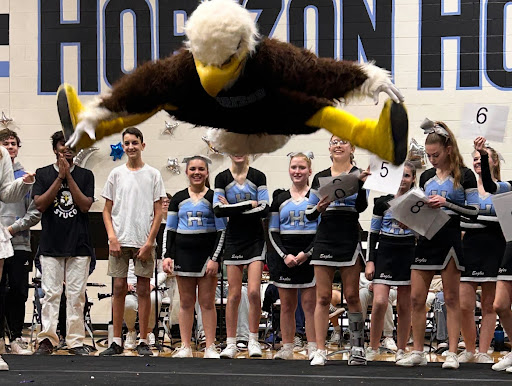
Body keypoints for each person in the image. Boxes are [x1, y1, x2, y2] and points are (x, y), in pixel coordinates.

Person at [396, 120, 479, 369]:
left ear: (449, 149)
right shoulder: (428, 177)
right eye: (429, 155)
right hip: (426, 239)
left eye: (436, 154)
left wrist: (447, 204)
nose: (432, 160)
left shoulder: (464, 175)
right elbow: (421, 208)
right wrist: (409, 223)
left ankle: (452, 352)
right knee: (417, 298)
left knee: (451, 298)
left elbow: (473, 211)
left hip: (450, 239)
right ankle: (418, 350)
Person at [100, 127, 166, 357]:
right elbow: (106, 211)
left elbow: (158, 213)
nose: (130, 147)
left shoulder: (153, 174)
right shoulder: (115, 174)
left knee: (144, 290)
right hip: (120, 239)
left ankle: (144, 339)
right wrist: (112, 237)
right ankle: (116, 340)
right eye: (126, 143)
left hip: (143, 240)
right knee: (118, 288)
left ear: (142, 145)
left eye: (134, 143)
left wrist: (149, 242)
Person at [307, 136, 370, 366]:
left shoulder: (361, 172)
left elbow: (361, 206)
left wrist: (360, 183)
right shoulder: (320, 177)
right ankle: (320, 349)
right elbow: (309, 213)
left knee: (352, 295)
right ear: (329, 148)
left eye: (344, 142)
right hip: (325, 236)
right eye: (334, 141)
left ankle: (357, 348)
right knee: (323, 297)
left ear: (352, 148)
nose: (338, 145)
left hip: (349, 234)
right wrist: (318, 207)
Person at [31, 131, 93, 357]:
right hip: (51, 243)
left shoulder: (86, 175)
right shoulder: (43, 174)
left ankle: (75, 341)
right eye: (62, 145)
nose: (67, 149)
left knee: (77, 295)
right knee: (51, 294)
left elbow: (85, 205)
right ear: (55, 148)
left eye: (71, 145)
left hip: (79, 244)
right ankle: (47, 339)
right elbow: (40, 205)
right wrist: (60, 177)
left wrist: (69, 176)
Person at [162, 155, 226, 359]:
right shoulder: (179, 199)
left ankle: (210, 346)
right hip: (183, 255)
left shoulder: (215, 198)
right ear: (187, 172)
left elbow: (222, 231)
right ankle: (186, 346)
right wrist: (167, 255)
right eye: (192, 169)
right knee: (186, 302)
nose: (197, 173)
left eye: (201, 169)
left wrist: (215, 258)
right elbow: (170, 230)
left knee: (207, 303)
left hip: (206, 257)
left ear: (207, 172)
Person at [213, 154, 269, 358]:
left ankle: (254, 340)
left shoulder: (258, 176)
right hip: (233, 238)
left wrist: (232, 208)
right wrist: (248, 205)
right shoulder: (221, 178)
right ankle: (231, 343)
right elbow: (218, 210)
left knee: (254, 292)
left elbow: (264, 208)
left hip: (254, 239)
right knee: (234, 294)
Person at [458, 137, 505, 364]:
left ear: (494, 161)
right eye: (475, 159)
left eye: (482, 158)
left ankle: (484, 351)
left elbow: (504, 221)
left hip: (494, 247)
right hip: (470, 246)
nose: (478, 162)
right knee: (464, 304)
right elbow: (459, 219)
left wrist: (477, 220)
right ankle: (469, 348)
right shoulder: (467, 189)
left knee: (489, 304)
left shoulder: (503, 188)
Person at [267, 152, 318, 360]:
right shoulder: (279, 198)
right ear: (289, 170)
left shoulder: (316, 197)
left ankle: (314, 347)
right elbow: (272, 231)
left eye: (302, 168)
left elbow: (321, 231)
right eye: (294, 167)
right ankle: (287, 346)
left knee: (309, 305)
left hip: (309, 255)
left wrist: (306, 254)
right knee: (287, 305)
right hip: (285, 257)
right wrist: (285, 255)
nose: (297, 171)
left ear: (309, 171)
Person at [365, 161, 417, 362]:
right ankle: (373, 346)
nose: (403, 180)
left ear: (413, 179)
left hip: (408, 254)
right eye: (400, 175)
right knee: (379, 302)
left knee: (405, 305)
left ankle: (401, 349)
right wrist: (370, 261)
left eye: (407, 176)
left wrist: (413, 223)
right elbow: (373, 234)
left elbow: (425, 232)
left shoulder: (417, 202)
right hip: (385, 254)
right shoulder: (381, 202)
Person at [0, 129, 41, 356]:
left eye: (13, 143)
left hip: (18, 243)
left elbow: (34, 214)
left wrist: (12, 228)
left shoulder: (27, 177)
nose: (9, 147)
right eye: (5, 143)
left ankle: (16, 337)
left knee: (18, 291)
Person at [123, 260, 168, 349]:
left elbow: (163, 272)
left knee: (154, 299)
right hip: (132, 287)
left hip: (152, 286)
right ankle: (131, 332)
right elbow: (122, 269)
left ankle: (148, 332)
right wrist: (126, 282)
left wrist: (152, 284)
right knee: (128, 304)